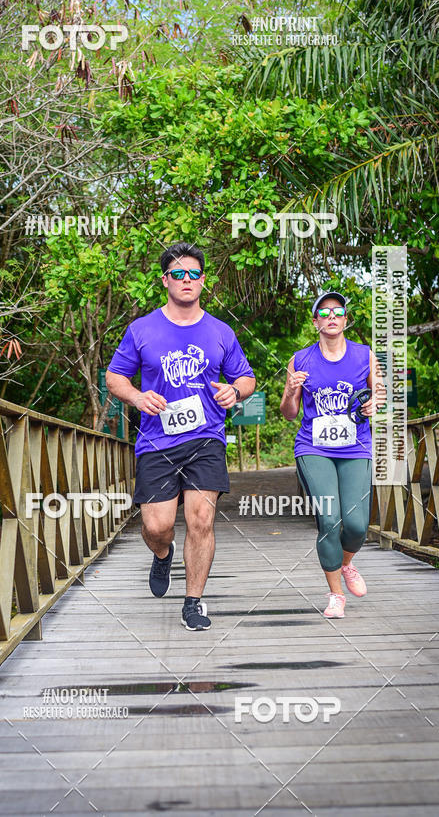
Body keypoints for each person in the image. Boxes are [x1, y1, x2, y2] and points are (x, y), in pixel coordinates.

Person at [106, 242, 256, 631]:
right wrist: (137, 397)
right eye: (178, 274)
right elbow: (114, 376)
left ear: (203, 281)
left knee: (201, 519)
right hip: (157, 440)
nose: (186, 280)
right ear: (165, 280)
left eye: (193, 274)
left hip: (206, 438)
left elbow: (247, 377)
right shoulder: (142, 329)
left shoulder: (221, 332)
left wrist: (235, 391)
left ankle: (193, 602)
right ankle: (162, 554)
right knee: (156, 527)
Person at [280, 291, 386, 618]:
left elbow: (379, 394)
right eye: (324, 313)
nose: (331, 316)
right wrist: (289, 389)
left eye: (337, 311)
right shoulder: (300, 360)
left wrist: (374, 403)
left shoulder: (365, 355)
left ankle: (347, 563)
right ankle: (336, 595)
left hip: (355, 447)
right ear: (315, 322)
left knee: (355, 524)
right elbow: (288, 412)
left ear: (345, 319)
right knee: (330, 518)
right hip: (314, 448)